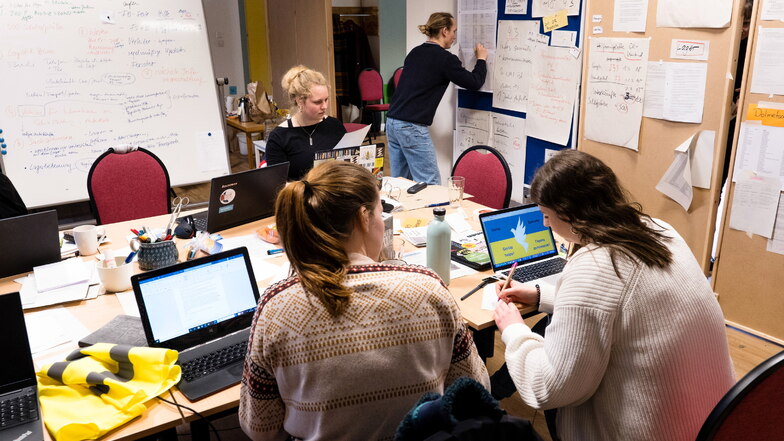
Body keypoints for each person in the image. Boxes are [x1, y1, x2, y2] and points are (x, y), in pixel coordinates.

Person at [492, 150, 734, 441]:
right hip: (715, 419)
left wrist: (513, 329)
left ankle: (489, 395)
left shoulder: (594, 266)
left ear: (568, 213)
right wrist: (541, 295)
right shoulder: (659, 231)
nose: (545, 225)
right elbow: (627, 306)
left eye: (546, 216)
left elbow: (548, 389)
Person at [239, 161, 490, 441]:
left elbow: (260, 428)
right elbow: (475, 390)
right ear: (363, 217)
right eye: (381, 213)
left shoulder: (275, 308)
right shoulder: (429, 288)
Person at [386, 12, 487, 185]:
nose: (455, 36)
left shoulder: (415, 52)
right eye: (454, 31)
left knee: (400, 183)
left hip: (392, 122)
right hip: (411, 127)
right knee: (429, 184)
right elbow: (474, 82)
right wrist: (481, 59)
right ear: (444, 31)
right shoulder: (445, 59)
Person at [265, 65, 346, 180]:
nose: (325, 106)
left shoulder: (335, 126)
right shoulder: (279, 137)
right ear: (300, 102)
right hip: (299, 196)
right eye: (317, 102)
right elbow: (277, 184)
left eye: (326, 99)